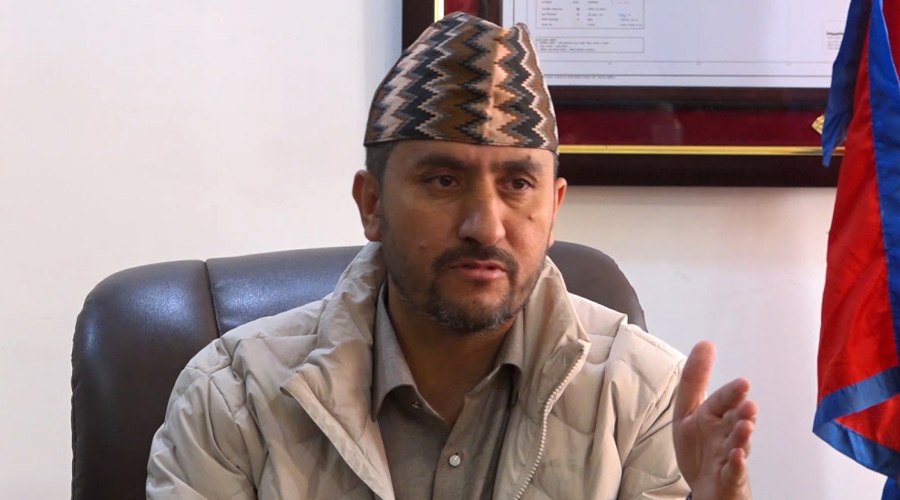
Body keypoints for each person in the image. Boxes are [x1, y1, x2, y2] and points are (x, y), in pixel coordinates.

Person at [147, 12, 757, 500]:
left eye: (518, 184)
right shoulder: (232, 399)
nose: (484, 225)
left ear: (553, 208)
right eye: (443, 180)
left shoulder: (644, 398)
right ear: (372, 204)